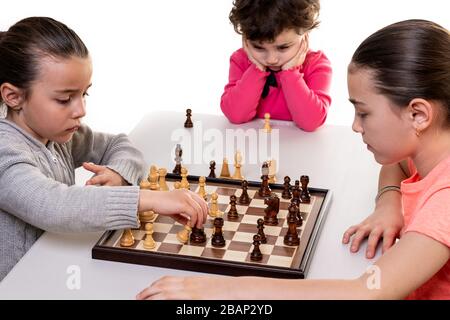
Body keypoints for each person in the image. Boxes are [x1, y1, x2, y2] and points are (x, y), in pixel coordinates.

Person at [137, 19, 450, 300]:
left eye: (364, 113)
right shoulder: (430, 150)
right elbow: (395, 164)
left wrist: (223, 290)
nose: (355, 125)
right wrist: (389, 202)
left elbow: (365, 293)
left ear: (418, 114)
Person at [0, 17, 208, 281]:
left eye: (84, 94)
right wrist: (148, 199)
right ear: (13, 96)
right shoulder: (5, 152)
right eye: (64, 99)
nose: (81, 110)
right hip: (16, 285)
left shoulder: (58, 134)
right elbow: (54, 205)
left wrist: (118, 173)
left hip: (55, 266)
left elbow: (118, 144)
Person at [220, 0, 332, 131]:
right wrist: (256, 70)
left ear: (304, 35)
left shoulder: (317, 65)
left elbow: (311, 122)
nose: (271, 60)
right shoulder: (240, 60)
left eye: (283, 47)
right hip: (254, 145)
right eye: (258, 47)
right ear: (245, 39)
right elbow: (235, 115)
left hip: (296, 148)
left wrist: (290, 72)